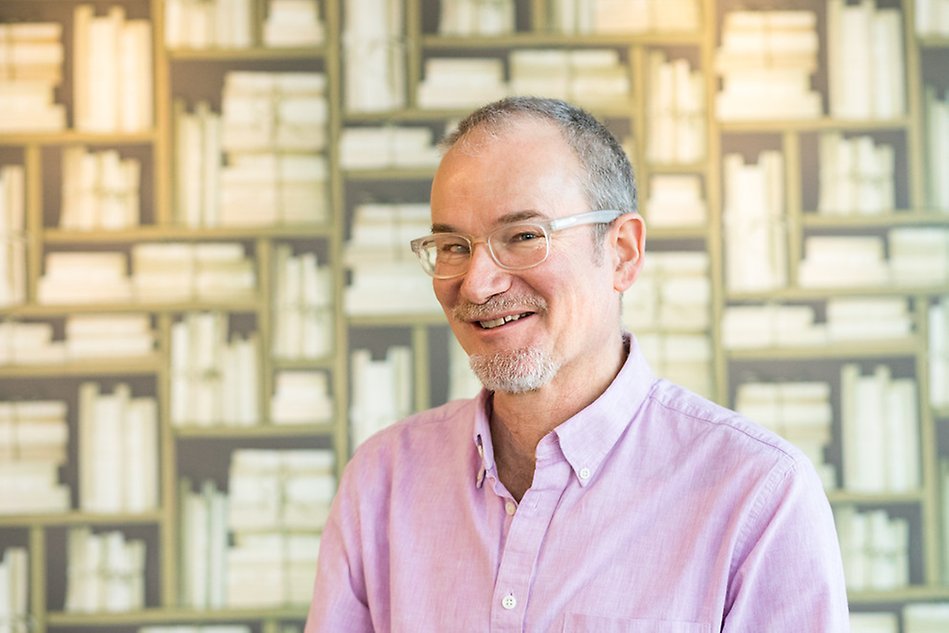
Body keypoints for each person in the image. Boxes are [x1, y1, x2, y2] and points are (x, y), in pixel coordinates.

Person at [305, 97, 849, 632]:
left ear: (622, 253)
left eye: (523, 237)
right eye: (452, 246)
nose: (476, 283)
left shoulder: (759, 495)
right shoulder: (380, 484)